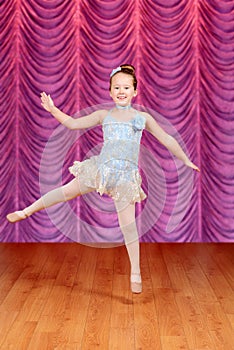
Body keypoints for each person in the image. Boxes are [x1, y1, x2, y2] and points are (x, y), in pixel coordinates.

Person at [6, 64, 199, 293]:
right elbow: (73, 124)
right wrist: (53, 110)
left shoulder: (142, 118)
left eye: (126, 87)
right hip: (101, 170)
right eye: (116, 87)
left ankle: (135, 272)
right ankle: (26, 211)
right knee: (67, 191)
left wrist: (185, 159)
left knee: (128, 227)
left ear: (135, 91)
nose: (121, 91)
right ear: (109, 91)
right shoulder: (103, 115)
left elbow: (167, 139)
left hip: (125, 179)